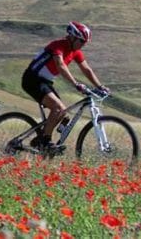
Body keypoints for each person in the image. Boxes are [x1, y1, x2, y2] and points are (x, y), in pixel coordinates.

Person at [21, 21, 109, 152]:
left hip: (45, 82)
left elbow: (87, 69)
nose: (83, 45)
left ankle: (40, 140)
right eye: (81, 41)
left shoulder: (76, 51)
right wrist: (76, 84)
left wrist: (100, 86)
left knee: (63, 113)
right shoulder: (58, 45)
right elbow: (60, 65)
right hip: (32, 80)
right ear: (72, 37)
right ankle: (45, 141)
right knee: (58, 108)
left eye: (85, 43)